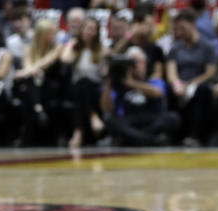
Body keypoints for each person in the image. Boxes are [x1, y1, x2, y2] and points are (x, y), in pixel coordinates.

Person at [101, 47, 180, 147]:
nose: (135, 66)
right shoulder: (118, 84)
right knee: (108, 119)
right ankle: (150, 140)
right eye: (132, 63)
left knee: (173, 118)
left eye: (138, 62)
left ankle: (133, 139)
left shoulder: (153, 80)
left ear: (146, 63)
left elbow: (158, 93)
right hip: (129, 120)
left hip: (151, 119)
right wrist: (108, 82)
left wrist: (131, 83)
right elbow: (107, 108)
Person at [165, 10, 217, 146]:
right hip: (180, 84)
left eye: (182, 28)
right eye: (177, 29)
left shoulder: (207, 46)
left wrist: (191, 84)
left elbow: (210, 73)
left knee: (203, 90)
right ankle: (172, 134)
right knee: (167, 89)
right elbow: (171, 71)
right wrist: (177, 84)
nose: (180, 32)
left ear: (193, 25)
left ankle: (195, 135)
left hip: (198, 83)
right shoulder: (176, 48)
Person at [61, 17, 107, 148]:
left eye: (93, 30)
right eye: (88, 29)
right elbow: (65, 59)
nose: (90, 32)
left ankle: (78, 132)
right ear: (81, 30)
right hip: (77, 86)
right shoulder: (75, 47)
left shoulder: (101, 49)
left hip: (95, 87)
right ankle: (93, 116)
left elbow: (103, 73)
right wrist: (72, 43)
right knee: (82, 83)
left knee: (85, 85)